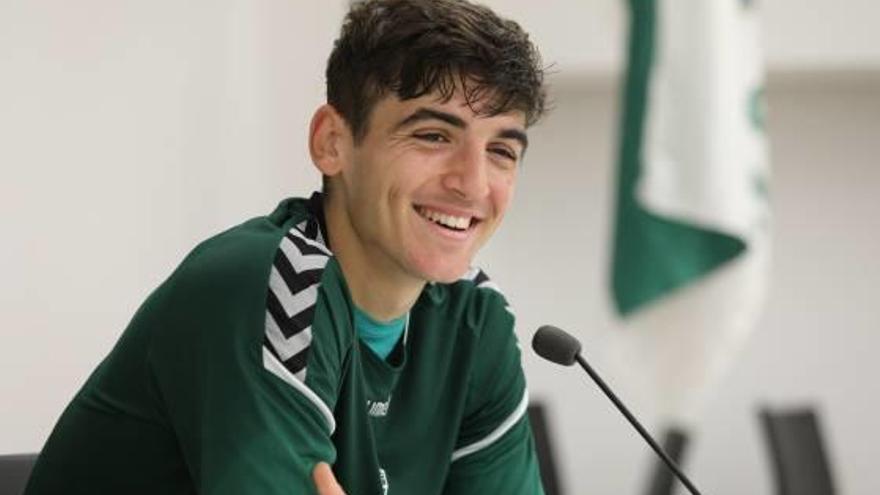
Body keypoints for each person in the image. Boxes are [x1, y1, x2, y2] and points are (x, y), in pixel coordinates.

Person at [25, 0, 548, 493]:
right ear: (331, 143)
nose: (473, 183)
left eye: (502, 150)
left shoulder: (474, 317)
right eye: (433, 135)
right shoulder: (273, 286)